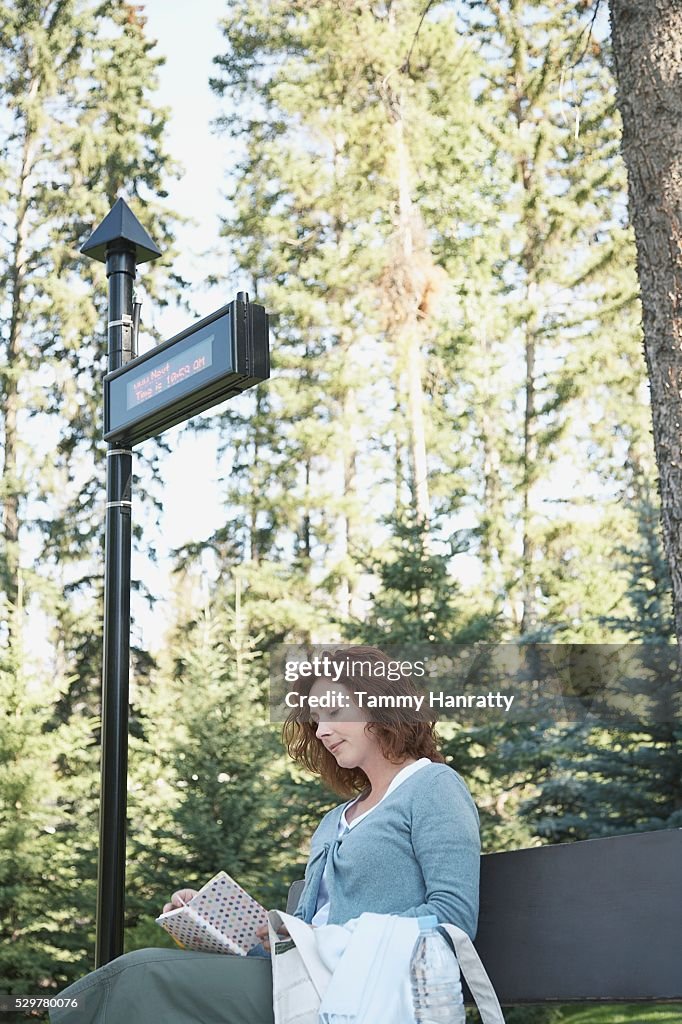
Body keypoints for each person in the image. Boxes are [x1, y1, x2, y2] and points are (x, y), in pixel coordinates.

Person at [50, 646, 480, 1024]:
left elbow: (453, 917)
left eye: (334, 712)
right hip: (301, 978)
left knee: (142, 977)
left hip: (363, 988)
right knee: (144, 984)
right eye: (315, 720)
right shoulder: (335, 819)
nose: (322, 730)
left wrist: (320, 939)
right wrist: (215, 922)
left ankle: (45, 1009)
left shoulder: (432, 786)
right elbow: (305, 935)